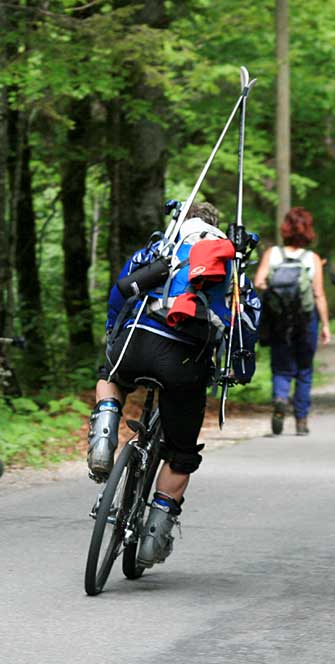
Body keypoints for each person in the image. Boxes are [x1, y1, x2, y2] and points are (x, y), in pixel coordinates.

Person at [87, 202, 260, 568]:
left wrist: (110, 334)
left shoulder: (159, 248)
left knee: (109, 376)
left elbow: (119, 295)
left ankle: (104, 436)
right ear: (216, 228)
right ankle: (153, 539)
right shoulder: (230, 262)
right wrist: (240, 369)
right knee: (181, 452)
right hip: (183, 361)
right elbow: (245, 320)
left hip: (134, 342)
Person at [254, 207, 331, 436]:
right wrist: (325, 324)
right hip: (306, 320)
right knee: (305, 370)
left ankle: (280, 399)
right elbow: (318, 293)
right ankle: (301, 420)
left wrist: (277, 294)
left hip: (278, 320)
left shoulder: (272, 253)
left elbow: (259, 282)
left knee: (281, 367)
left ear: (285, 228)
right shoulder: (312, 258)